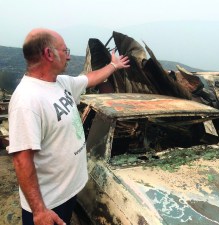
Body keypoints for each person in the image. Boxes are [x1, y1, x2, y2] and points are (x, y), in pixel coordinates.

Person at [8, 28, 130, 225]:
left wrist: (113, 66)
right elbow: (22, 160)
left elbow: (90, 79)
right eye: (65, 51)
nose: (69, 57)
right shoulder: (27, 101)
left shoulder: (60, 83)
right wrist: (39, 211)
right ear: (49, 54)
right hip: (49, 203)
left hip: (68, 192)